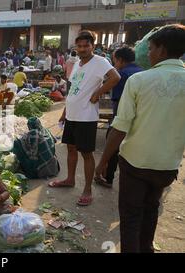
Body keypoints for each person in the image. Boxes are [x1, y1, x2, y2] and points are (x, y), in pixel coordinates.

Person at [95, 24, 185, 253]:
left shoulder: (140, 81)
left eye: (152, 48)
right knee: (151, 209)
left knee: (131, 217)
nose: (149, 53)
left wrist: (103, 161)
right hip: (167, 166)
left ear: (162, 50)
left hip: (135, 164)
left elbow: (120, 128)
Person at [50, 30, 121, 206]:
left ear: (93, 46)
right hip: (72, 114)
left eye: (86, 46)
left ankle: (88, 190)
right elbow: (74, 89)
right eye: (79, 46)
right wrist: (65, 112)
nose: (82, 49)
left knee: (86, 154)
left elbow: (115, 77)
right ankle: (70, 179)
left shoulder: (100, 62)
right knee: (71, 150)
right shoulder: (77, 64)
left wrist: (98, 93)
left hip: (86, 116)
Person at [94, 46, 143, 188]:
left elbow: (117, 101)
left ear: (120, 60)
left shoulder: (121, 75)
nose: (114, 64)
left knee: (113, 148)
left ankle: (107, 178)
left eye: (115, 60)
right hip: (141, 122)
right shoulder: (143, 73)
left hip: (122, 118)